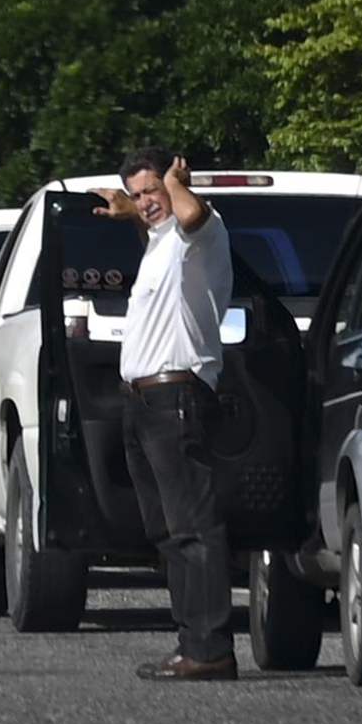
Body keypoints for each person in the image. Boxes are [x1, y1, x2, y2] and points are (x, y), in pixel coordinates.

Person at [105, 151, 239, 681]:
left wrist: (173, 184)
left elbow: (187, 217)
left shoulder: (202, 234)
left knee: (193, 527)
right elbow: (162, 224)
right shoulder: (161, 242)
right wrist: (133, 213)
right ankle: (191, 642)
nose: (146, 202)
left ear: (173, 181)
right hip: (141, 400)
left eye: (151, 190)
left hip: (176, 395)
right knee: (166, 531)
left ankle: (210, 650)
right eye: (137, 194)